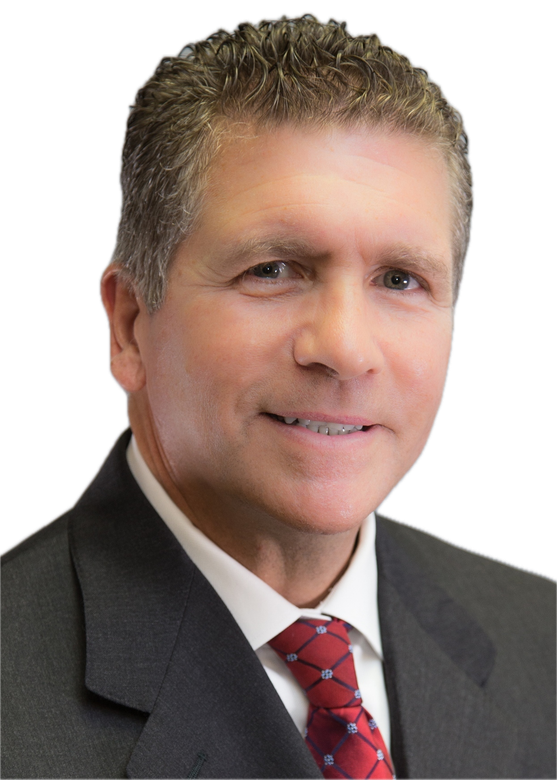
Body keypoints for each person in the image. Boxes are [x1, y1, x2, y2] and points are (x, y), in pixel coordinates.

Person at [1, 14, 555, 780]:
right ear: (129, 325)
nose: (344, 348)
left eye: (400, 279)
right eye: (273, 269)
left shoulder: (543, 639)